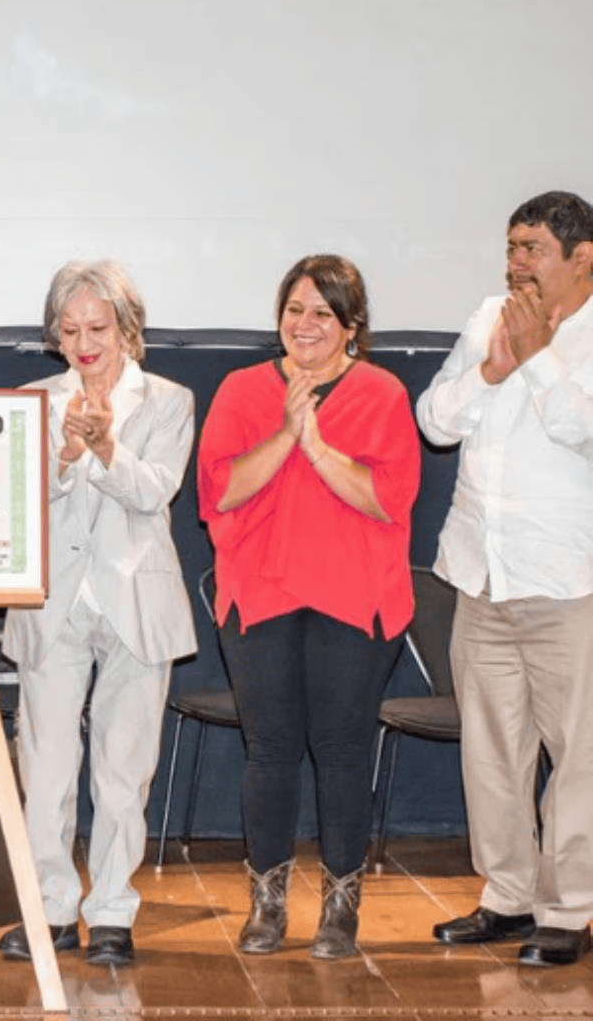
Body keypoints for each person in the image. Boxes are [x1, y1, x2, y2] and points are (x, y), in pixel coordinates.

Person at [198, 255, 420, 960]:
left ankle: (340, 910)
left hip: (354, 600)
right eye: (295, 309)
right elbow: (221, 493)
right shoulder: (240, 390)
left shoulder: (382, 393)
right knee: (269, 751)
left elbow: (386, 498)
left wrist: (318, 446)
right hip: (260, 593)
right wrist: (288, 433)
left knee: (344, 751)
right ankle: (267, 906)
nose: (305, 324)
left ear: (352, 326)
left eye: (323, 312)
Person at [0, 260, 197, 966]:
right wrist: (62, 459)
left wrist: (107, 446)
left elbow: (155, 493)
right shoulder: (32, 399)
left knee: (123, 770)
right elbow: (13, 503)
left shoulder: (168, 401)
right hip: (53, 604)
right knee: (47, 767)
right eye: (70, 328)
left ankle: (112, 911)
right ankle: (50, 909)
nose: (84, 342)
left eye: (98, 327)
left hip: (136, 603)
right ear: (55, 335)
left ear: (127, 329)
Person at [417, 191, 593, 967]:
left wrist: (538, 358)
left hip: (567, 579)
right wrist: (491, 368)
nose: (515, 262)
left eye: (532, 249)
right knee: (491, 751)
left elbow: (582, 427)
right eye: (512, 246)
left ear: (581, 256)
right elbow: (436, 420)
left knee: (580, 754)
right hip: (480, 573)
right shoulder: (488, 315)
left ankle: (572, 908)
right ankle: (508, 896)